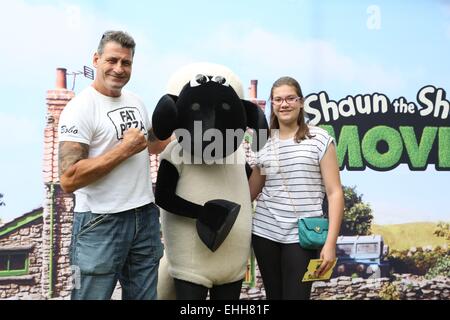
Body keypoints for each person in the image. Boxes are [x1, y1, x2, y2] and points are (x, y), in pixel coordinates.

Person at [58, 30, 168, 300]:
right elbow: (69, 179)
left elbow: (151, 145)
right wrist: (123, 150)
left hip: (143, 217)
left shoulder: (136, 101)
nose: (119, 69)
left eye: (126, 62)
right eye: (112, 60)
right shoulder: (80, 108)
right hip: (99, 222)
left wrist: (185, 123)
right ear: (96, 59)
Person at [248, 76, 344, 300]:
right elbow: (252, 190)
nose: (284, 104)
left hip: (302, 236)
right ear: (272, 104)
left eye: (290, 98)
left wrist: (330, 243)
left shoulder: (319, 138)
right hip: (265, 232)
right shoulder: (262, 140)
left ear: (301, 102)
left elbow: (335, 193)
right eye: (278, 99)